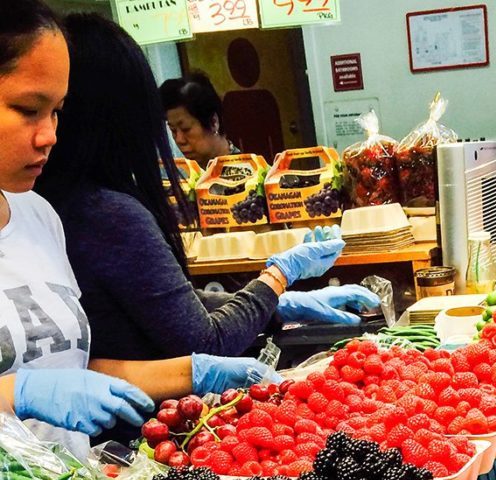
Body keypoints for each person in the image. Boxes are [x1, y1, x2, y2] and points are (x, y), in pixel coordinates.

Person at [0, 0, 288, 452]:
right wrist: (21, 394)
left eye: (57, 111)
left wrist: (196, 371)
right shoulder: (106, 213)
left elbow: (72, 372)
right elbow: (41, 388)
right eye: (27, 109)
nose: (50, 134)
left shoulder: (40, 218)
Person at [37, 14, 376, 366]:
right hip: (147, 416)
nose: (44, 133)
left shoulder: (47, 204)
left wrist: (276, 301)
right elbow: (205, 340)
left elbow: (166, 308)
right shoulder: (106, 214)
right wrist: (278, 276)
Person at [160, 71, 237, 168]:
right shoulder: (185, 174)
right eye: (173, 130)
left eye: (186, 129)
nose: (179, 140)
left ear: (213, 122)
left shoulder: (249, 176)